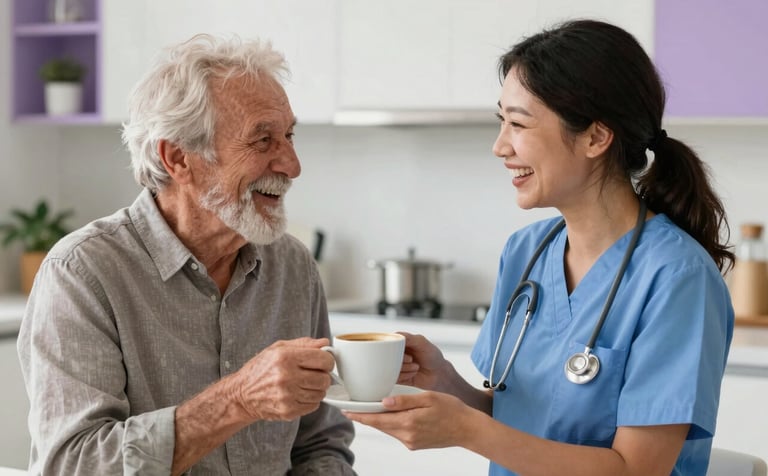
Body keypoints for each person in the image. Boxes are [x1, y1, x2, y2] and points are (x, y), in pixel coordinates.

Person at [346, 19, 735, 476]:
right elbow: (526, 422)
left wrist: (465, 430)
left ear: (595, 136)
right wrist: (449, 387)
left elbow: (637, 470)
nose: (499, 146)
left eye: (518, 123)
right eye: (501, 121)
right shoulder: (527, 251)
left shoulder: (676, 277)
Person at [17, 34, 355, 475]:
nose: (291, 164)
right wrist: (237, 399)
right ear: (178, 158)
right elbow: (76, 464)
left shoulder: (292, 267)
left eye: (288, 135)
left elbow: (320, 442)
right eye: (262, 140)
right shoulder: (83, 273)